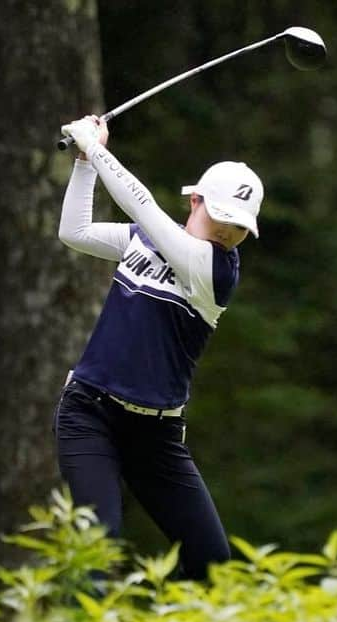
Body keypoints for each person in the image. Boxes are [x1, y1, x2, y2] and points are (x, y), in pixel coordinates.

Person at [52, 115, 263, 581]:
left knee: (212, 565)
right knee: (97, 558)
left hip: (156, 436)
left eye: (240, 227)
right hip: (90, 416)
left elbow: (145, 209)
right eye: (223, 218)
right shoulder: (142, 242)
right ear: (196, 201)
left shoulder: (217, 271)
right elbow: (76, 232)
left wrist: (99, 150)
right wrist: (85, 163)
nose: (229, 232)